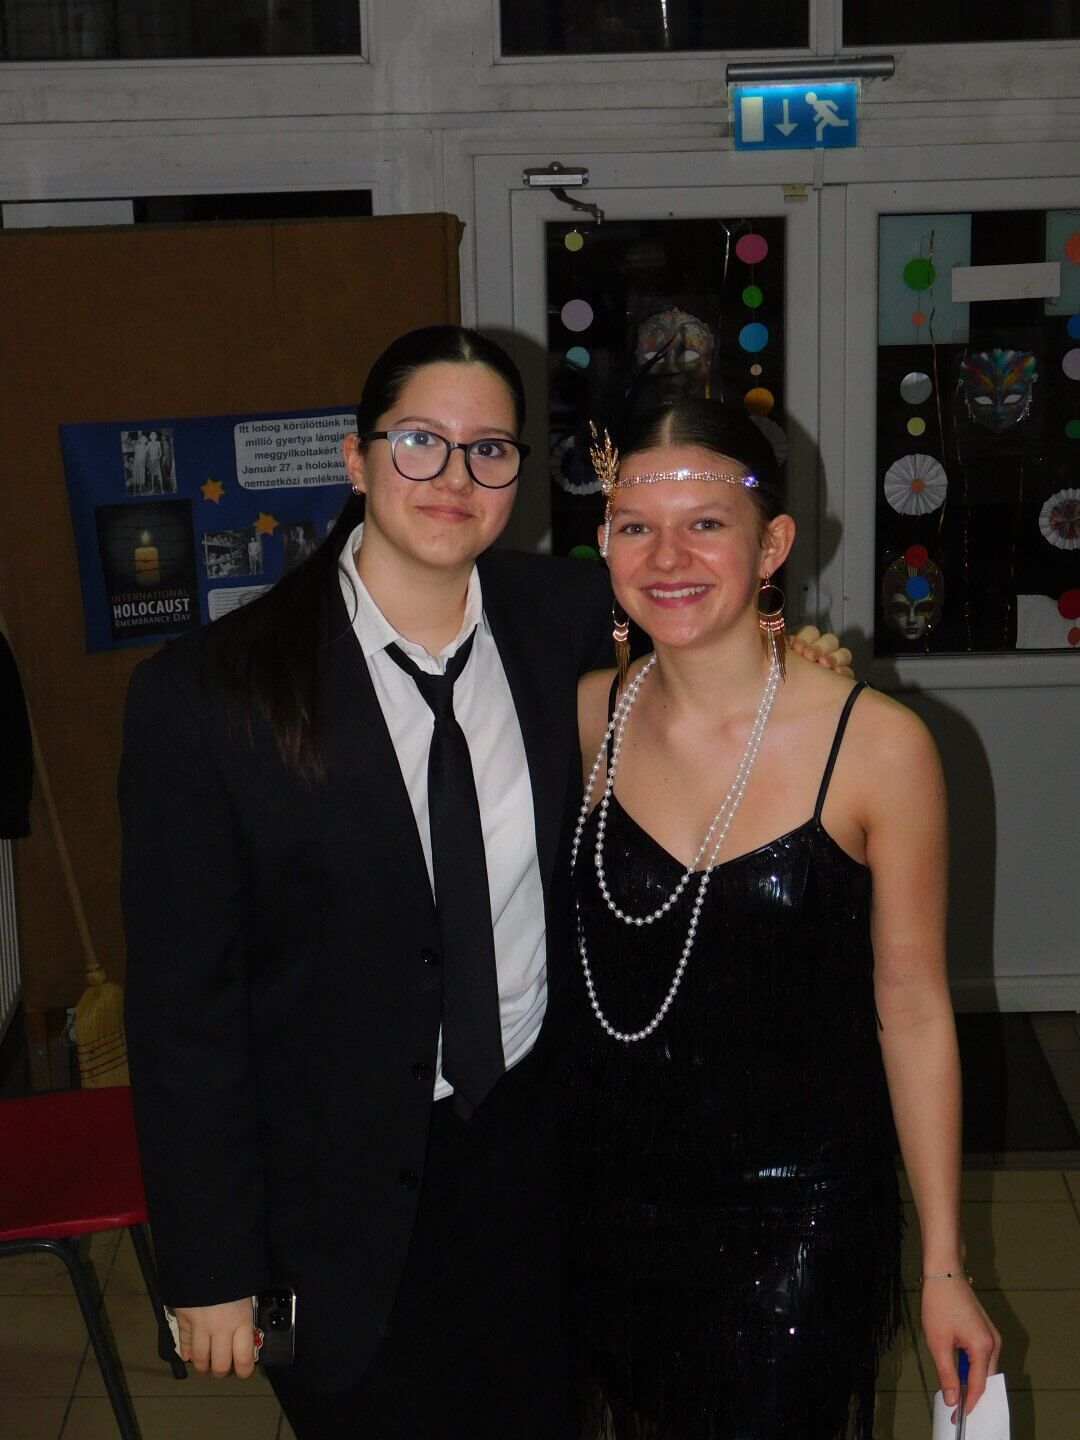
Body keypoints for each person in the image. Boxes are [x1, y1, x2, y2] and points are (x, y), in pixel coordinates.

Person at [119, 326, 846, 1440]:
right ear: (357, 459)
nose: (454, 476)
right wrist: (210, 1268)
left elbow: (708, 656)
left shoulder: (565, 619)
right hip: (333, 1206)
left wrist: (798, 660)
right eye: (420, 441)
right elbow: (182, 1014)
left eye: (490, 450)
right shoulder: (209, 697)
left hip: (537, 1168)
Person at [567, 399, 1001, 1440]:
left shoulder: (879, 747)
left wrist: (946, 1265)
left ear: (772, 546)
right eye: (635, 526)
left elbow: (913, 1008)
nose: (667, 556)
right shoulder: (586, 716)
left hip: (801, 1213)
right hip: (614, 1204)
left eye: (706, 524)